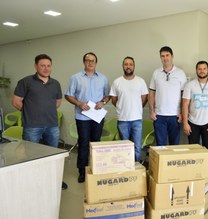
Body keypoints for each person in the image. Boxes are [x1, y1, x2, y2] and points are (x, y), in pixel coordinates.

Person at [12, 54, 68, 190]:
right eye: (42, 65)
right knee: (31, 155)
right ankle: (32, 181)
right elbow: (16, 102)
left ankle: (54, 179)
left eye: (48, 66)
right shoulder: (25, 82)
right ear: (36, 66)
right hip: (32, 126)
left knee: (53, 155)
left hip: (52, 126)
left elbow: (57, 102)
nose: (46, 68)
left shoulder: (55, 83)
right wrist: (30, 111)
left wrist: (44, 110)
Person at [65, 52, 110, 183]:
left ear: (96, 63)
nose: (90, 63)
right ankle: (82, 171)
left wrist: (103, 102)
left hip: (97, 116)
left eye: (93, 61)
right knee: (84, 143)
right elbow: (68, 95)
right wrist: (79, 103)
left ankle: (96, 168)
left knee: (96, 143)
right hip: (82, 116)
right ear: (84, 62)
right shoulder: (76, 78)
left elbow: (108, 95)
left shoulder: (103, 78)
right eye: (87, 60)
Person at [110, 56, 149, 162]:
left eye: (130, 64)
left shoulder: (140, 81)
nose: (128, 66)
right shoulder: (117, 82)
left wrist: (136, 108)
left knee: (137, 148)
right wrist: (122, 107)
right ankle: (127, 169)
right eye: (126, 64)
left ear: (134, 66)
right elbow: (114, 100)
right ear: (123, 66)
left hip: (137, 120)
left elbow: (145, 99)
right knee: (125, 148)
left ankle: (136, 170)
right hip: (122, 120)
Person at [149, 46, 187, 146]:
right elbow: (152, 93)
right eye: (162, 56)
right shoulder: (156, 73)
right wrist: (151, 111)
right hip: (159, 116)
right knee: (160, 147)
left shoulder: (180, 73)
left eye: (167, 55)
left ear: (172, 56)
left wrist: (182, 113)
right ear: (160, 58)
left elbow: (184, 96)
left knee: (174, 146)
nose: (165, 58)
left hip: (175, 116)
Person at [182, 61, 208, 152]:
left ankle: (206, 167)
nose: (202, 71)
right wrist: (185, 123)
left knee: (207, 150)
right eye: (199, 69)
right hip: (192, 123)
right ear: (196, 70)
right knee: (192, 150)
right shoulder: (190, 85)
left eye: (204, 69)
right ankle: (194, 167)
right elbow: (185, 105)